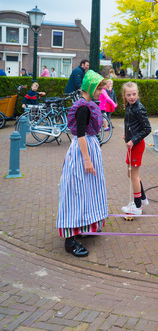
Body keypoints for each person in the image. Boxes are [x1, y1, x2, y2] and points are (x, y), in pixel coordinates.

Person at [57, 70, 108, 257]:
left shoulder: (88, 105)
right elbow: (80, 135)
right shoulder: (84, 108)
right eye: (99, 87)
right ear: (90, 86)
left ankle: (85, 225)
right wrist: (87, 160)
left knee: (87, 190)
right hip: (82, 152)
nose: (101, 91)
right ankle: (70, 241)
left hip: (88, 149)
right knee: (75, 192)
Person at [121, 82, 152, 215]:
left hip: (137, 145)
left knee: (134, 175)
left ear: (138, 94)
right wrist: (127, 134)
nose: (132, 97)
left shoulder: (139, 108)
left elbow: (147, 129)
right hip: (131, 144)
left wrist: (133, 140)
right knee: (131, 174)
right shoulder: (129, 106)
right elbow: (131, 123)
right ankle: (143, 198)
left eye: (134, 94)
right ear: (124, 96)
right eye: (129, 95)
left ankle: (137, 206)